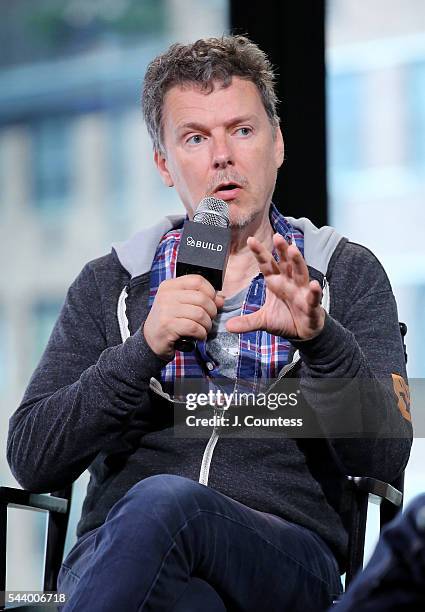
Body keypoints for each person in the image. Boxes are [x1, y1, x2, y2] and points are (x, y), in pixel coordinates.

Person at [7, 35, 412, 611]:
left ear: (278, 144)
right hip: (125, 560)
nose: (222, 155)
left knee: (169, 505)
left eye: (241, 131)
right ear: (163, 163)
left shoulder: (343, 273)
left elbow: (386, 456)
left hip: (281, 558)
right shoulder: (113, 282)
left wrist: (321, 340)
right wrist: (141, 348)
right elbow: (31, 457)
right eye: (195, 138)